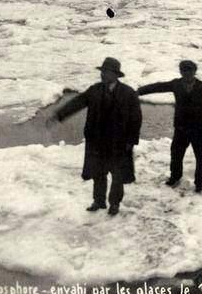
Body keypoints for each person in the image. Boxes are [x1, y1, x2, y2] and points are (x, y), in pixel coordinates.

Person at [47, 57, 142, 216]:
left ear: (115, 75)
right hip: (97, 141)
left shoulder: (128, 93)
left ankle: (114, 204)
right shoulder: (94, 90)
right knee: (99, 173)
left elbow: (136, 119)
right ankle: (98, 201)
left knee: (117, 175)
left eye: (107, 72)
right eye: (102, 72)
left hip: (118, 143)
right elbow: (77, 103)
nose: (103, 75)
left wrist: (131, 140)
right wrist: (58, 115)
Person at [138, 60, 202, 193]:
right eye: (184, 70)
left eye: (189, 70)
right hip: (181, 127)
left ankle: (200, 183)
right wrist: (138, 91)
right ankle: (175, 177)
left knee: (201, 157)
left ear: (194, 71)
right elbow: (157, 87)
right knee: (176, 154)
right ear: (181, 72)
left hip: (198, 127)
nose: (187, 73)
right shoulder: (176, 84)